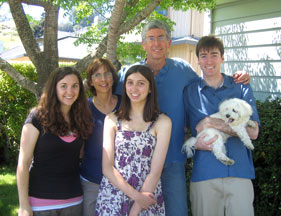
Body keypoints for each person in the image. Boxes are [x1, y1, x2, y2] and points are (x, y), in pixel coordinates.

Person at [116, 20, 251, 216]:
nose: (156, 43)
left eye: (161, 37)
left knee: (176, 211)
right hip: (137, 161)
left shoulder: (182, 70)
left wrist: (238, 78)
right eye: (151, 38)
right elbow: (109, 100)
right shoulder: (130, 74)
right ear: (143, 44)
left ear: (169, 42)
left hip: (173, 159)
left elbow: (209, 83)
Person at [183, 35, 260, 216]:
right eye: (203, 56)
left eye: (214, 55)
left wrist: (211, 123)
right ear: (198, 60)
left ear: (223, 58)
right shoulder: (189, 92)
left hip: (240, 173)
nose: (209, 61)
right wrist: (194, 143)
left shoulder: (241, 87)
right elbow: (183, 133)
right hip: (205, 175)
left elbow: (253, 132)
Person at [95, 65, 172, 215]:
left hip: (147, 195)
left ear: (150, 88)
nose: (134, 88)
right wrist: (136, 196)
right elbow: (107, 168)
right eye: (130, 83)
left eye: (141, 83)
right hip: (114, 195)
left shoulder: (163, 122)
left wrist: (136, 209)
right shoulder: (111, 119)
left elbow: (155, 172)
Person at [17, 67, 93, 216]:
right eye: (63, 86)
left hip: (74, 201)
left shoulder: (80, 119)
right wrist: (24, 205)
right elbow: (24, 163)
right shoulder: (38, 117)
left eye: (74, 86)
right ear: (54, 88)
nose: (70, 91)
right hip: (41, 203)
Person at [80, 58, 121, 216]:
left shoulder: (125, 105)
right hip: (92, 180)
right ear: (91, 81)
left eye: (107, 74)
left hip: (122, 181)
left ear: (113, 77)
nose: (103, 79)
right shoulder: (84, 108)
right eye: (97, 75)